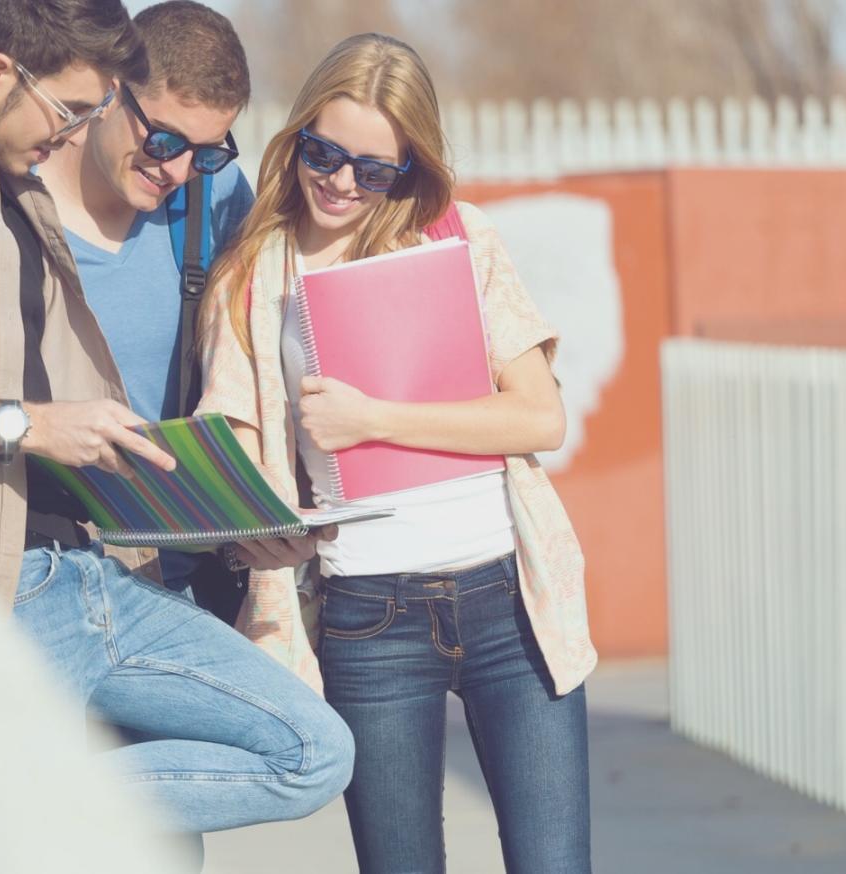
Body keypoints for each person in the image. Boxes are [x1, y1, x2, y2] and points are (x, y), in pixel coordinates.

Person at [0, 0, 352, 838]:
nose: (71, 132)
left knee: (315, 751)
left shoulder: (1, 180)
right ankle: (28, 792)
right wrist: (28, 427)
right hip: (2, 588)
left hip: (113, 574)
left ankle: (34, 790)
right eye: (72, 110)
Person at [198, 33, 597, 874]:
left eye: (374, 169)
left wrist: (374, 417)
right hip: (367, 617)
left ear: (410, 168)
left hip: (508, 601)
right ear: (297, 137)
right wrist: (262, 529)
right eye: (324, 153)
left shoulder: (457, 237)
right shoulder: (251, 273)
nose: (341, 182)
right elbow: (233, 446)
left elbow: (538, 417)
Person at [41, 0, 326, 670]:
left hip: (187, 588)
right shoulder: (15, 204)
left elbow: (269, 361)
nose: (177, 171)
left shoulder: (215, 195)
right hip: (53, 580)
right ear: (110, 90)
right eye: (165, 141)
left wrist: (266, 515)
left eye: (207, 150)